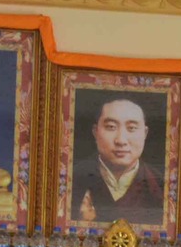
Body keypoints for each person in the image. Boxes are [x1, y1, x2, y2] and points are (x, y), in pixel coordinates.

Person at [70, 97, 164, 227]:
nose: (121, 140)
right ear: (95, 132)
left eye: (131, 128)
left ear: (145, 133)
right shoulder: (71, 180)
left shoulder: (161, 187)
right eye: (111, 127)